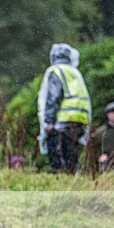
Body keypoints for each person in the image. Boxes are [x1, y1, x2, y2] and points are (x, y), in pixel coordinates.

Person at [37, 43, 91, 174]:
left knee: (57, 152)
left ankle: (59, 180)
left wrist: (49, 121)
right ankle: (75, 179)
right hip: (81, 118)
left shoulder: (56, 70)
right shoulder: (75, 72)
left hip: (64, 118)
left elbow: (53, 97)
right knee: (72, 152)